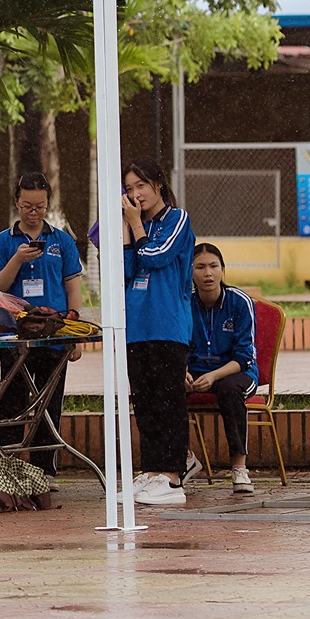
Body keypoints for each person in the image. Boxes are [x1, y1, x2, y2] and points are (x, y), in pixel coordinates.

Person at [0, 171, 85, 473]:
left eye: (40, 206)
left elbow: (73, 288)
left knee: (50, 402)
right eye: (27, 206)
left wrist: (75, 334)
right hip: (15, 334)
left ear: (48, 203)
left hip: (54, 333)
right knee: (12, 399)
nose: (33, 212)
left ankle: (45, 469)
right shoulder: (3, 241)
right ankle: (9, 467)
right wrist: (17, 260)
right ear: (16, 202)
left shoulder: (61, 241)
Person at [123, 157, 196, 507]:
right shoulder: (135, 224)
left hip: (167, 324)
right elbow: (126, 270)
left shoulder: (177, 219)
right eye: (129, 188)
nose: (136, 194)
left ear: (159, 185)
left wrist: (136, 225)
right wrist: (127, 231)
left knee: (168, 401)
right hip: (136, 326)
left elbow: (155, 256)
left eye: (141, 186)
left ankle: (172, 476)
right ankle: (152, 471)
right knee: (145, 402)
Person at [186, 242, 258, 495]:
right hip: (196, 370)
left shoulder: (240, 302)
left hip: (236, 372)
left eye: (213, 266)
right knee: (167, 385)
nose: (208, 273)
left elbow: (245, 356)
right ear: (189, 272)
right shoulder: (184, 303)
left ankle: (239, 467)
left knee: (229, 389)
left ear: (223, 270)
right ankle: (183, 458)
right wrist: (182, 371)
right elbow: (177, 346)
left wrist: (214, 375)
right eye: (200, 267)